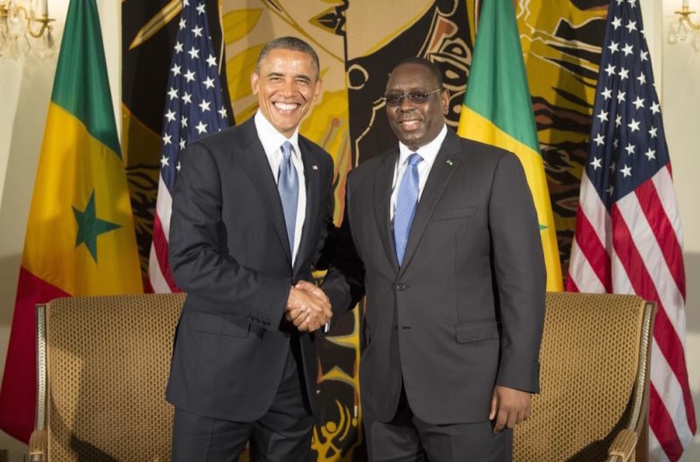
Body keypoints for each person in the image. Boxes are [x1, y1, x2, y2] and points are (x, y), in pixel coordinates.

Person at [314, 57, 546, 461]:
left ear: (445, 99)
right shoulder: (363, 179)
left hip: (469, 392)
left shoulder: (493, 168)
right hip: (387, 394)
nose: (405, 106)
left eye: (419, 95)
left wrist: (518, 376)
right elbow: (352, 267)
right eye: (394, 98)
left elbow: (522, 282)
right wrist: (322, 301)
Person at [166, 36, 335, 461]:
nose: (289, 91)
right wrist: (285, 298)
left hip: (293, 372)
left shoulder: (319, 163)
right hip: (218, 373)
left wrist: (326, 294)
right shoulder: (210, 156)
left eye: (302, 80)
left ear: (317, 90)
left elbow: (313, 250)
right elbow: (190, 261)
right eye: (276, 77)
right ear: (256, 82)